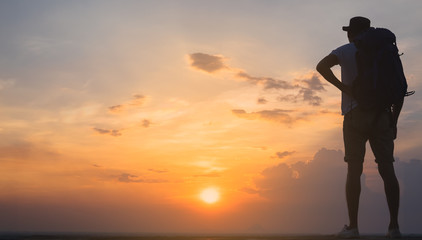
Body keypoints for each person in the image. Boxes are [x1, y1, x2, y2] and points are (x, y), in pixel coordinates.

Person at [316, 16, 402, 238]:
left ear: (350, 33)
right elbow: (399, 87)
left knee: (354, 170)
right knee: (387, 170)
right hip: (382, 115)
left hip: (355, 115)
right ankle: (394, 228)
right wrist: (393, 120)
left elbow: (321, 66)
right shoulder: (386, 51)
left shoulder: (345, 50)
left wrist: (344, 88)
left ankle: (353, 227)